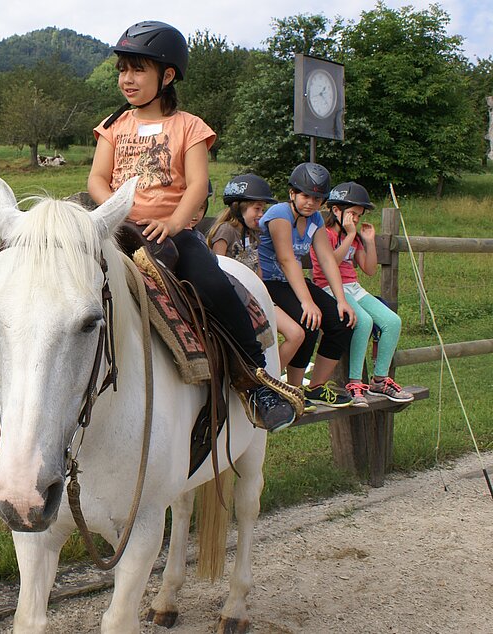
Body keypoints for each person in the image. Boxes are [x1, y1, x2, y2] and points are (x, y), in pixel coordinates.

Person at [87, 20, 298, 431]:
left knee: (214, 285)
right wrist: (116, 212)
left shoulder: (190, 126)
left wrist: (173, 223)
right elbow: (97, 178)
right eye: (122, 70)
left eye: (138, 70)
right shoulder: (112, 126)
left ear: (167, 76)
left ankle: (254, 379)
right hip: (118, 226)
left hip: (174, 230)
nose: (126, 80)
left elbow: (198, 184)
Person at [257, 162, 356, 408]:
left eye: (317, 198)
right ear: (292, 194)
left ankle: (315, 387)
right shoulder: (280, 214)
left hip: (294, 282)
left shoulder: (316, 220)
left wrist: (341, 300)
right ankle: (292, 388)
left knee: (342, 321)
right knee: (309, 319)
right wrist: (307, 301)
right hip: (269, 282)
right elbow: (287, 258)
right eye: (305, 196)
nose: (310, 202)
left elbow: (326, 259)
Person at [312, 182, 412, 406]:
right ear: (336, 210)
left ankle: (380, 380)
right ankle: (355, 382)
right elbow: (331, 263)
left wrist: (367, 242)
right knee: (363, 321)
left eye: (359, 215)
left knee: (392, 321)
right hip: (329, 287)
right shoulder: (323, 234)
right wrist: (349, 235)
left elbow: (369, 268)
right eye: (352, 214)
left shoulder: (354, 237)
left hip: (353, 288)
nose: (356, 219)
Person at [208, 174, 306, 376]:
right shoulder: (226, 231)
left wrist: (267, 302)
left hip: (255, 299)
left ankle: (270, 380)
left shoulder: (254, 235)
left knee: (296, 334)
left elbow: (258, 272)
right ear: (238, 207)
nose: (261, 214)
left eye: (263, 209)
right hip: (233, 299)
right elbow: (217, 268)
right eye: (257, 209)